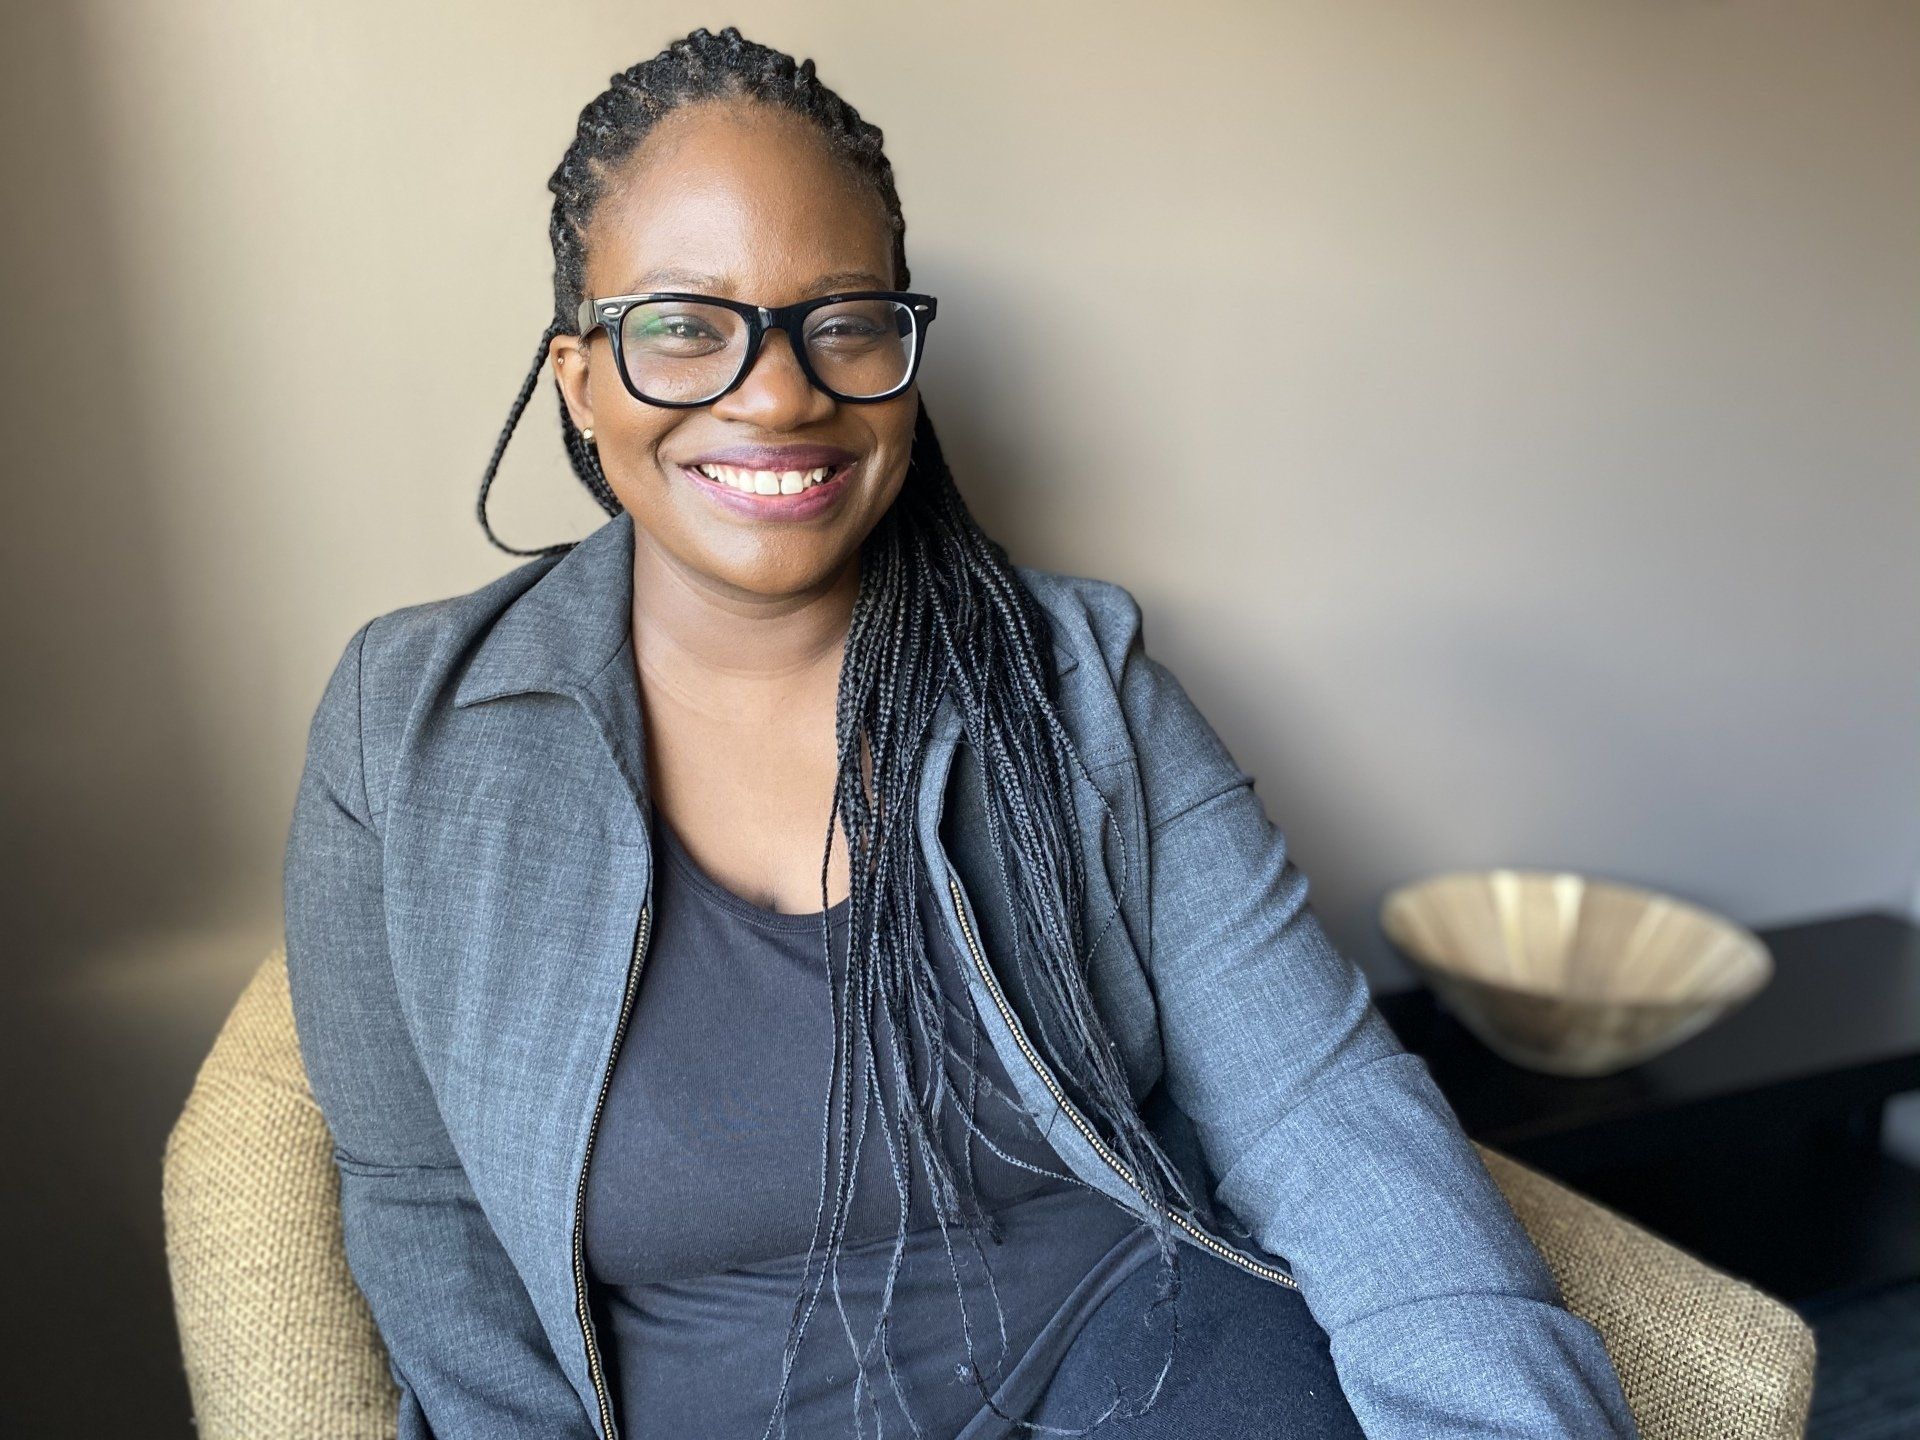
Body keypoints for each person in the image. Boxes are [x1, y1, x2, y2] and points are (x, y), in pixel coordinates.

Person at [283, 25, 1640, 1440]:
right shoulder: (410, 732)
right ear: (579, 377)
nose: (779, 391)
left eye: (844, 320)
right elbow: (421, 1205)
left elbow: (1319, 1102)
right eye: (684, 326)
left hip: (1145, 1353)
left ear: (903, 358)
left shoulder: (1078, 678)